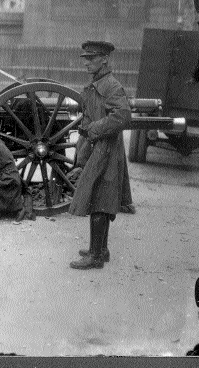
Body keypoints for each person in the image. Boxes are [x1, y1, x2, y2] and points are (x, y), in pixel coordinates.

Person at [69, 41, 132, 270]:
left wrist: (94, 129)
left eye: (92, 58)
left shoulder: (112, 86)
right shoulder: (94, 86)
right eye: (85, 58)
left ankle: (95, 256)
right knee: (99, 197)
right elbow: (87, 117)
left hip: (107, 149)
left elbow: (123, 117)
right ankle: (101, 249)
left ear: (104, 59)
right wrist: (83, 147)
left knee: (99, 199)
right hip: (98, 147)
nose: (87, 62)